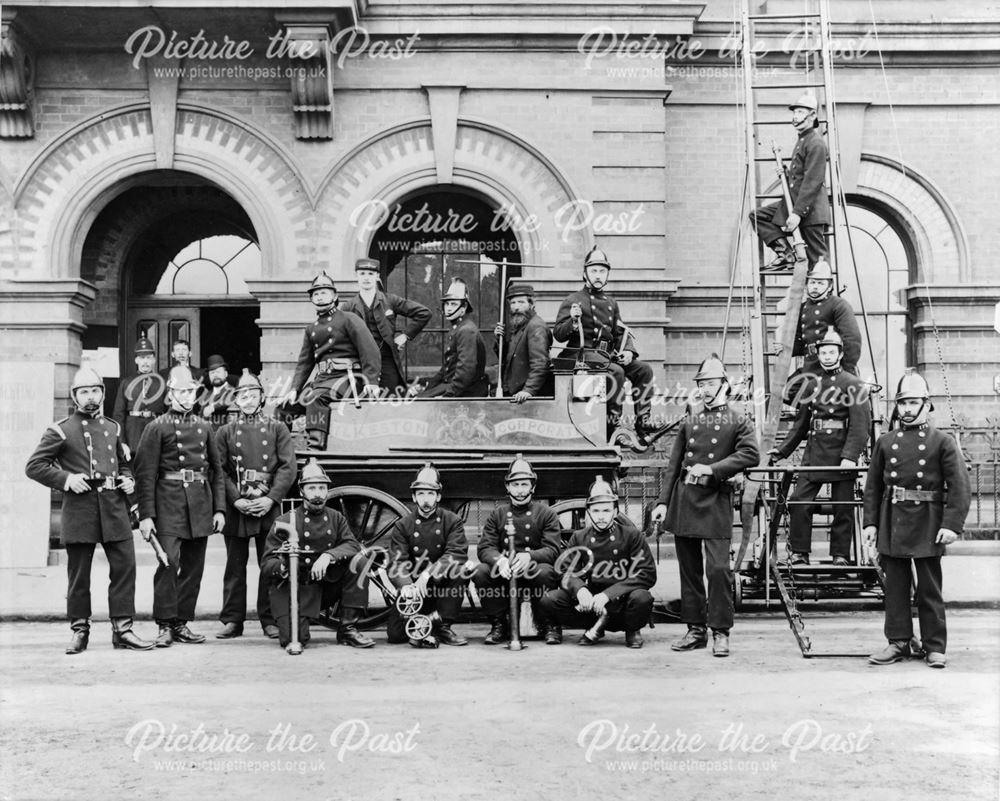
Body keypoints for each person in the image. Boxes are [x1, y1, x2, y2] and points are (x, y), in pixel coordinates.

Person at [25, 367, 155, 654]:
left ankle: (123, 629)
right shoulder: (60, 429)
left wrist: (127, 478)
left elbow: (121, 462)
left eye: (95, 390)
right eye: (84, 392)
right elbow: (34, 466)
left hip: (113, 508)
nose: (91, 397)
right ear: (74, 396)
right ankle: (79, 630)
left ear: (103, 394)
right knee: (79, 576)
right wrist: (66, 480)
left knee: (124, 569)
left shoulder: (113, 427)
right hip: (80, 510)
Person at [651, 354, 759, 657]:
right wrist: (662, 502)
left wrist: (713, 469)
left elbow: (751, 454)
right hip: (685, 500)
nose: (706, 389)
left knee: (718, 569)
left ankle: (721, 631)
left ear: (724, 385)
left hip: (715, 500)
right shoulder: (690, 422)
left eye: (711, 383)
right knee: (689, 571)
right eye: (702, 384)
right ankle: (695, 629)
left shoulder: (739, 420)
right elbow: (672, 467)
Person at [864, 371, 971, 669]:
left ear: (927, 404)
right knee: (895, 587)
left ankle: (934, 645)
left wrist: (951, 524)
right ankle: (898, 642)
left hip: (929, 522)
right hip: (893, 520)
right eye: (903, 403)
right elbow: (873, 487)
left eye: (913, 402)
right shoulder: (886, 442)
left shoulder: (942, 442)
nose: (908, 409)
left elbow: (960, 486)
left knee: (928, 587)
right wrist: (870, 523)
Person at [133, 365, 226, 647]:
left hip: (199, 505)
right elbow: (145, 475)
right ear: (170, 393)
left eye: (190, 391)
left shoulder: (204, 426)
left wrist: (219, 509)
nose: (186, 396)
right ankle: (164, 624)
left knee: (193, 567)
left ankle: (182, 622)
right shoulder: (155, 427)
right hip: (167, 505)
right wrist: (146, 516)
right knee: (168, 563)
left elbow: (217, 472)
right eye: (180, 391)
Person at [769, 328, 871, 566]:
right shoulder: (812, 385)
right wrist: (782, 450)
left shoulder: (853, 384)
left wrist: (850, 456)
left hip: (841, 454)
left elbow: (860, 427)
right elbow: (801, 424)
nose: (826, 356)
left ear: (839, 354)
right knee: (798, 502)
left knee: (842, 508)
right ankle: (800, 553)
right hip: (814, 454)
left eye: (831, 352)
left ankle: (840, 556)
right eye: (823, 352)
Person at [214, 369, 297, 640]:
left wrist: (271, 498)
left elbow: (288, 467)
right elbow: (219, 470)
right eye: (243, 396)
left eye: (253, 395)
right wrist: (235, 499)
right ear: (236, 400)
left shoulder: (277, 428)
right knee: (234, 566)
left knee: (269, 563)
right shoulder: (226, 431)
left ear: (262, 398)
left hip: (266, 506)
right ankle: (232, 620)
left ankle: (270, 619)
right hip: (238, 506)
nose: (248, 400)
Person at [260, 458, 375, 649]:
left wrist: (328, 556)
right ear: (301, 490)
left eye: (322, 488)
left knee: (360, 563)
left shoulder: (336, 518)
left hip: (325, 588)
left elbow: (351, 544)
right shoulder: (285, 521)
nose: (317, 494)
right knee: (293, 639)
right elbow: (266, 564)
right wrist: (284, 565)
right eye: (312, 488)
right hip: (293, 590)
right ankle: (300, 621)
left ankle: (348, 630)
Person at [540, 475, 656, 648]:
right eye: (596, 511)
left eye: (606, 510)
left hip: (622, 604)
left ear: (616, 512)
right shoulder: (579, 537)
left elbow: (647, 574)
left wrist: (608, 595)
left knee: (642, 597)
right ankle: (593, 626)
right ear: (588, 513)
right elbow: (565, 571)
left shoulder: (631, 535)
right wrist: (580, 590)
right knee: (550, 600)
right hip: (591, 605)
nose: (601, 517)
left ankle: (632, 630)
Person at [552, 246, 655, 438]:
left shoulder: (611, 302)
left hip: (605, 356)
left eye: (602, 271)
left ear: (607, 274)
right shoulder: (573, 300)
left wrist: (628, 352)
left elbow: (618, 332)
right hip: (581, 354)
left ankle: (644, 423)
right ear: (585, 274)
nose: (598, 275)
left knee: (643, 369)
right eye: (593, 271)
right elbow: (558, 334)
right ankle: (613, 428)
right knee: (616, 371)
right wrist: (573, 321)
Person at [283, 271, 382, 447]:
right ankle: (282, 450)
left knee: (315, 399)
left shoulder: (349, 319)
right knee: (284, 408)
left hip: (348, 379)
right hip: (322, 381)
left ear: (335, 295)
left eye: (324, 293)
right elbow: (305, 363)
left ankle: (315, 448)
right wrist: (295, 388)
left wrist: (371, 381)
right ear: (311, 299)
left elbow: (370, 351)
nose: (320, 297)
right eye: (316, 294)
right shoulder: (311, 328)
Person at [472, 455, 563, 645]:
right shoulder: (498, 514)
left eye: (524, 484)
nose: (520, 491)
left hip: (534, 570)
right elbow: (485, 548)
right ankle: (499, 624)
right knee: (481, 572)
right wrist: (500, 561)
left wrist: (529, 556)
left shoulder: (546, 514)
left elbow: (553, 550)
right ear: (508, 487)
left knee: (546, 572)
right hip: (506, 572)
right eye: (515, 485)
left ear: (533, 487)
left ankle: (548, 624)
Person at [386, 463, 470, 647]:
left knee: (461, 570)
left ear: (438, 496)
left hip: (441, 585)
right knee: (395, 635)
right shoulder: (403, 525)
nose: (426, 499)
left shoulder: (452, 521)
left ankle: (444, 625)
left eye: (430, 494)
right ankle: (430, 622)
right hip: (415, 589)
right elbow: (396, 562)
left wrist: (428, 574)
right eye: (421, 494)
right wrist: (407, 587)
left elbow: (456, 552)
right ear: (414, 496)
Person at [749, 93, 830, 270]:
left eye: (800, 112)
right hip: (795, 204)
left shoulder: (815, 143)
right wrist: (786, 174)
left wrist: (797, 214)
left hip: (810, 211)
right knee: (758, 216)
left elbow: (813, 181)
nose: (795, 117)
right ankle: (786, 254)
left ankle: (823, 296)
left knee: (817, 264)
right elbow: (800, 178)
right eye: (794, 113)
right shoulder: (803, 140)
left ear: (813, 115)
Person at [341, 257, 432, 395]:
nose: (366, 278)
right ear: (356, 276)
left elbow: (424, 313)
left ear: (377, 276)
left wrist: (405, 335)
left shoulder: (390, 300)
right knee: (362, 405)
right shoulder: (348, 307)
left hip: (387, 361)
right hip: (360, 363)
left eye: (371, 274)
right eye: (362, 273)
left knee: (391, 402)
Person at [780, 260, 862, 381]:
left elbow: (852, 341)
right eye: (812, 282)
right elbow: (801, 342)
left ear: (829, 286)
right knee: (787, 392)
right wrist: (785, 348)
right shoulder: (802, 307)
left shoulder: (839, 305)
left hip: (833, 367)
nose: (815, 287)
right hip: (810, 367)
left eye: (820, 283)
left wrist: (842, 371)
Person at [416, 278, 488, 398]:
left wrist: (447, 397)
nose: (448, 308)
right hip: (454, 386)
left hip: (467, 392)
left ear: (464, 308)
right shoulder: (458, 328)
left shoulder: (466, 330)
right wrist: (429, 387)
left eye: (453, 304)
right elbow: (446, 369)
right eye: (447, 304)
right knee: (419, 399)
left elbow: (465, 372)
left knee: (421, 405)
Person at [493, 283, 554, 402]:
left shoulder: (536, 327)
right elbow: (509, 359)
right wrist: (500, 339)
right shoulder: (520, 326)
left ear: (532, 304)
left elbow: (540, 363)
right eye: (513, 303)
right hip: (515, 393)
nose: (516, 307)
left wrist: (528, 390)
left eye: (521, 302)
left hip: (526, 397)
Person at [112, 337, 166, 455]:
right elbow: (118, 415)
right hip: (133, 434)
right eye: (142, 358)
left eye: (148, 358)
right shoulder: (126, 383)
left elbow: (168, 413)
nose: (145, 362)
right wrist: (122, 442)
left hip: (155, 430)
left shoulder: (162, 383)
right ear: (136, 360)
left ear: (154, 360)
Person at [200, 354, 239, 431]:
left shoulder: (233, 391)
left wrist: (212, 407)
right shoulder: (206, 395)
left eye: (218, 372)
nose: (215, 375)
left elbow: (228, 400)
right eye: (212, 373)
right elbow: (201, 416)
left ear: (226, 374)